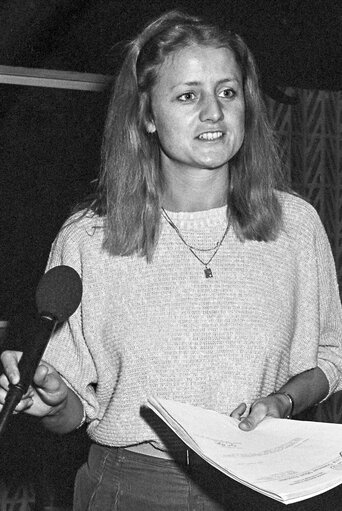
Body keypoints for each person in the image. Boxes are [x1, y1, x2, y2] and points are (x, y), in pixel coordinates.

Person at [1, 9, 342, 511]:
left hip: (268, 488)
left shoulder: (296, 225)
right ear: (147, 116)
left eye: (227, 92)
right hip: (132, 488)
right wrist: (48, 399)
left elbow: (329, 359)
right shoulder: (89, 239)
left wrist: (283, 401)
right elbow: (72, 409)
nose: (214, 112)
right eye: (188, 95)